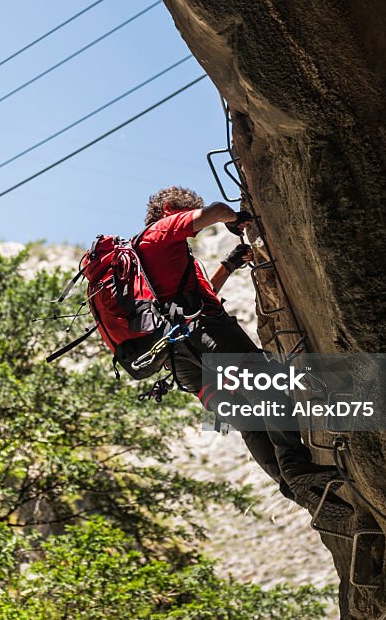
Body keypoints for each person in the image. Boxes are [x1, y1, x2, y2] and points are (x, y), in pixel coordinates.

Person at [135, 186, 351, 521]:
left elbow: (201, 295)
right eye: (185, 213)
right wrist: (234, 220)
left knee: (247, 420)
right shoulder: (161, 232)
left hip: (181, 361)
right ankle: (296, 469)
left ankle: (298, 490)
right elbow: (217, 211)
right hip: (205, 334)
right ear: (168, 209)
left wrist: (229, 264)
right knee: (265, 383)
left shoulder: (143, 258)